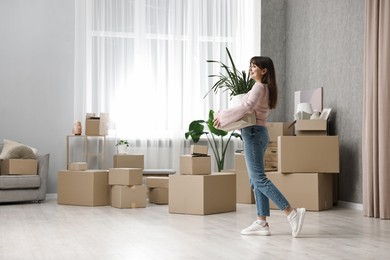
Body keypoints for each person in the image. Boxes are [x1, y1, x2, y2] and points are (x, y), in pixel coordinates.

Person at [213, 56, 305, 238]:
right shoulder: (263, 88)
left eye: (254, 66)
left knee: (259, 179)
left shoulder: (259, 87)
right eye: (250, 66)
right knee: (256, 180)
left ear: (264, 71)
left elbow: (247, 107)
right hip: (257, 133)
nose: (250, 69)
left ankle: (291, 212)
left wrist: (222, 117)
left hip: (254, 134)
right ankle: (262, 222)